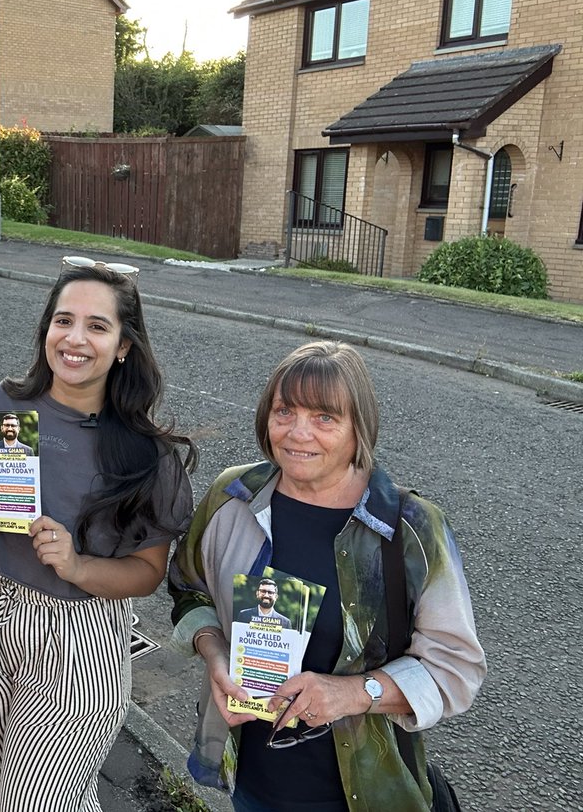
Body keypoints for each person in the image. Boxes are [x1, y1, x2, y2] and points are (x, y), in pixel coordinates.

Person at [168, 341, 485, 812]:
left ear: (360, 428)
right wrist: (215, 653)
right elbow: (189, 589)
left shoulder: (410, 527)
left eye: (324, 417)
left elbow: (456, 668)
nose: (298, 433)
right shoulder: (233, 498)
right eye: (284, 411)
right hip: (253, 782)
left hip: (366, 795)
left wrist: (353, 693)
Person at [0, 258, 196, 812]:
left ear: (123, 345)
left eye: (97, 326)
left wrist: (78, 566)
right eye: (63, 320)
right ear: (46, 327)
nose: (75, 339)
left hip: (75, 637)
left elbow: (147, 573)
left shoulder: (147, 454)